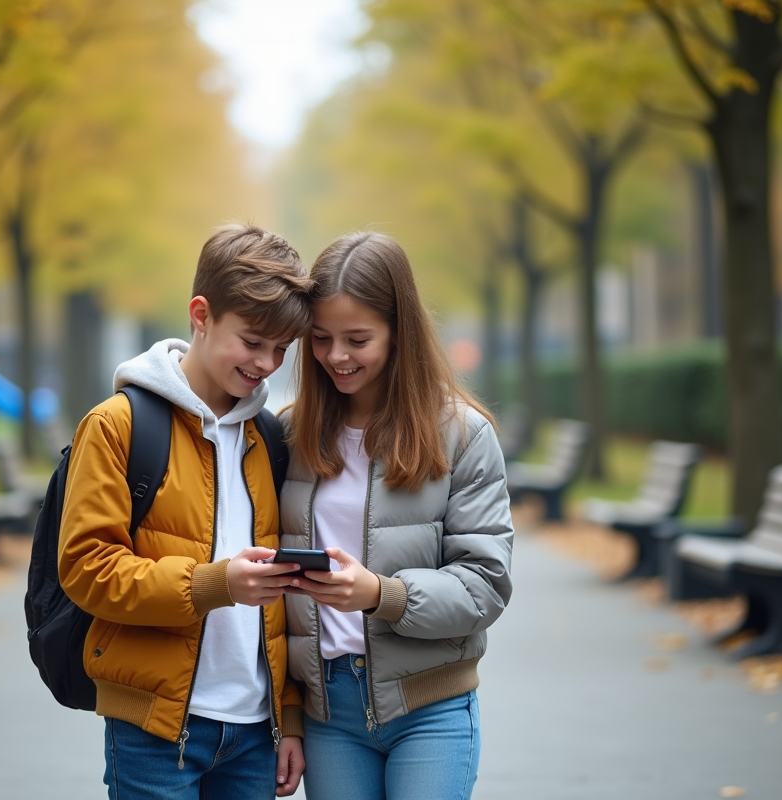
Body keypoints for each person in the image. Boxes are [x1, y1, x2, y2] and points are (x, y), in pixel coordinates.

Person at [58, 224, 313, 799]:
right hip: (155, 730)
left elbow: (286, 607)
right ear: (201, 315)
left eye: (281, 349)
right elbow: (85, 568)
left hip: (255, 733)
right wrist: (213, 584)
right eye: (252, 341)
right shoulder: (117, 425)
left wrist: (288, 716)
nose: (268, 362)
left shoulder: (268, 438)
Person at [279, 232, 513, 800]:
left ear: (398, 331)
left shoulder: (462, 434)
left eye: (358, 339)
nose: (337, 356)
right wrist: (287, 718)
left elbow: (486, 585)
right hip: (329, 712)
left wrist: (383, 594)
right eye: (322, 339)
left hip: (429, 707)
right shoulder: (288, 434)